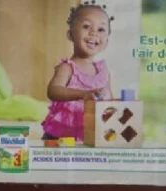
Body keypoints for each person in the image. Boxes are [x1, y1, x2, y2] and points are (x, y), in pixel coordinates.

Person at [42, 2, 114, 141]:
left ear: (107, 41)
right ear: (70, 35)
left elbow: (110, 102)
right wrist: (83, 94)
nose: (93, 32)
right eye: (86, 26)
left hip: (90, 134)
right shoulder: (68, 67)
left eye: (101, 29)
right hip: (60, 136)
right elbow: (53, 91)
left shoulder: (104, 72)